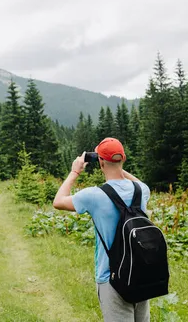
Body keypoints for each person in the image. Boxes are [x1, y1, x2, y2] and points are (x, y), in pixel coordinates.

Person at [53, 137, 151, 322]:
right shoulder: (141, 191)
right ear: (123, 159)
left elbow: (58, 201)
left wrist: (75, 171)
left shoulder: (94, 195)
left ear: (101, 162)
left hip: (111, 276)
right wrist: (118, 166)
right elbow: (140, 184)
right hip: (141, 273)